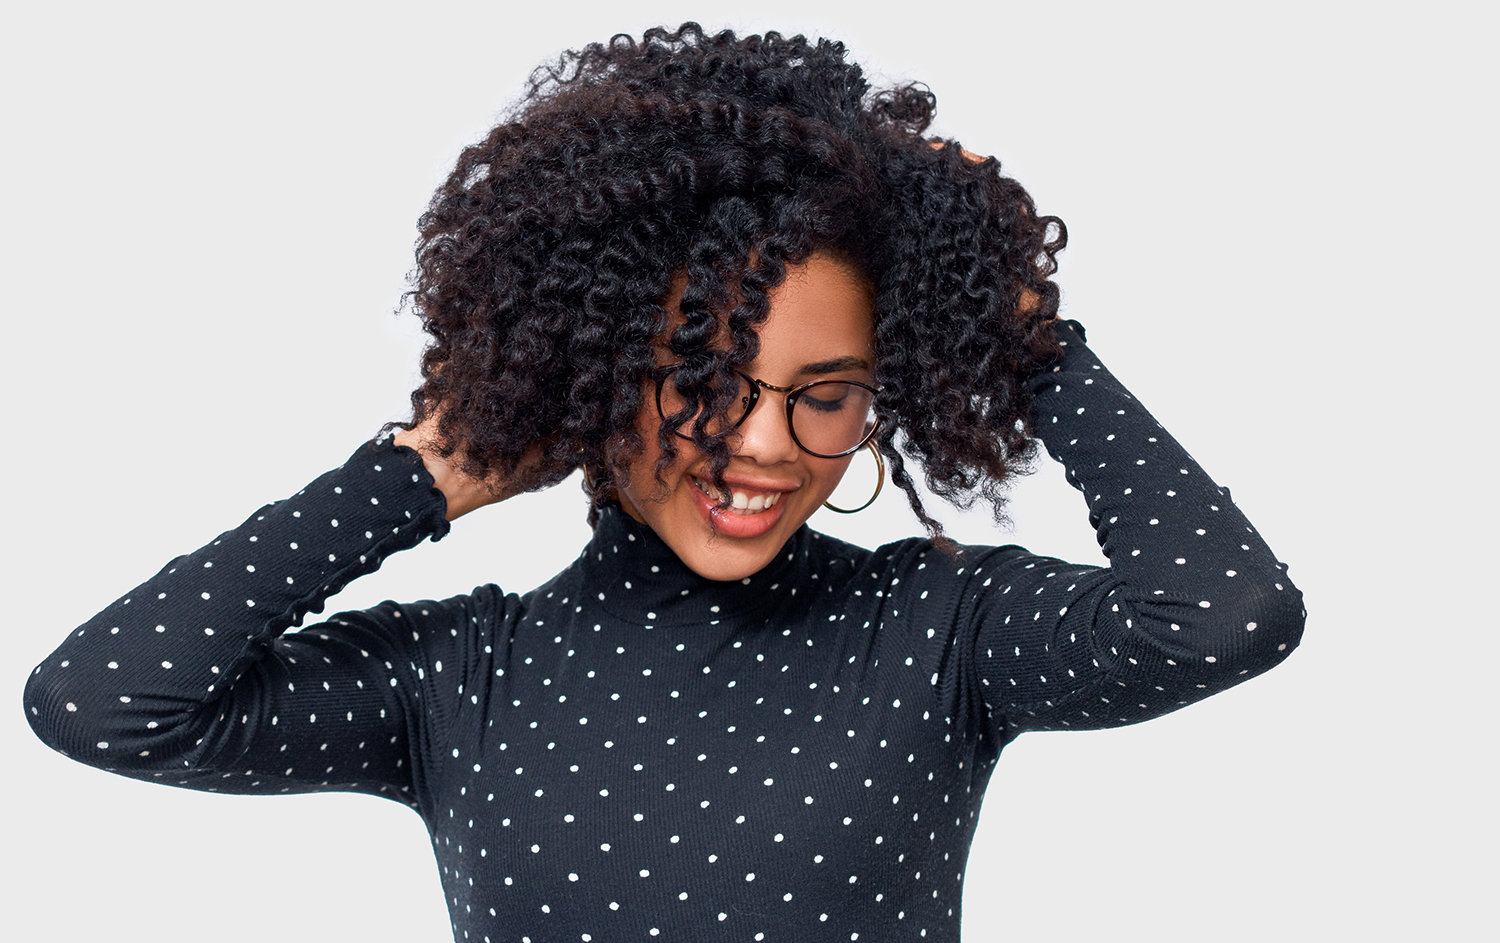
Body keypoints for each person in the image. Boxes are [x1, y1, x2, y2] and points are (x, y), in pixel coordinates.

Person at [23, 23, 1304, 942]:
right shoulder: (462, 675)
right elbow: (102, 700)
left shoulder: (935, 632)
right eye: (700, 378)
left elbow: (1229, 615)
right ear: (588, 365)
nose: (761, 445)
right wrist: (426, 472)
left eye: (828, 393)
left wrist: (1029, 342)